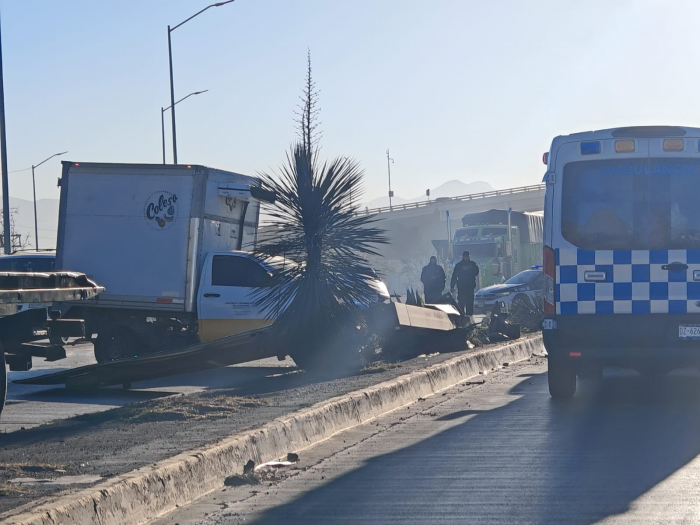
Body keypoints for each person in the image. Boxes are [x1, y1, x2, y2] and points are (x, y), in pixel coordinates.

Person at [450, 250, 480, 316]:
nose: (466, 258)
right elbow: (454, 276)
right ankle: (462, 317)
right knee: (461, 303)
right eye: (465, 256)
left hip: (470, 287)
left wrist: (470, 269)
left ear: (469, 257)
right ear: (463, 257)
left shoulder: (472, 264)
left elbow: (476, 272)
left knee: (470, 303)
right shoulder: (458, 265)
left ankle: (469, 317)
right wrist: (452, 286)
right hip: (461, 287)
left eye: (467, 256)